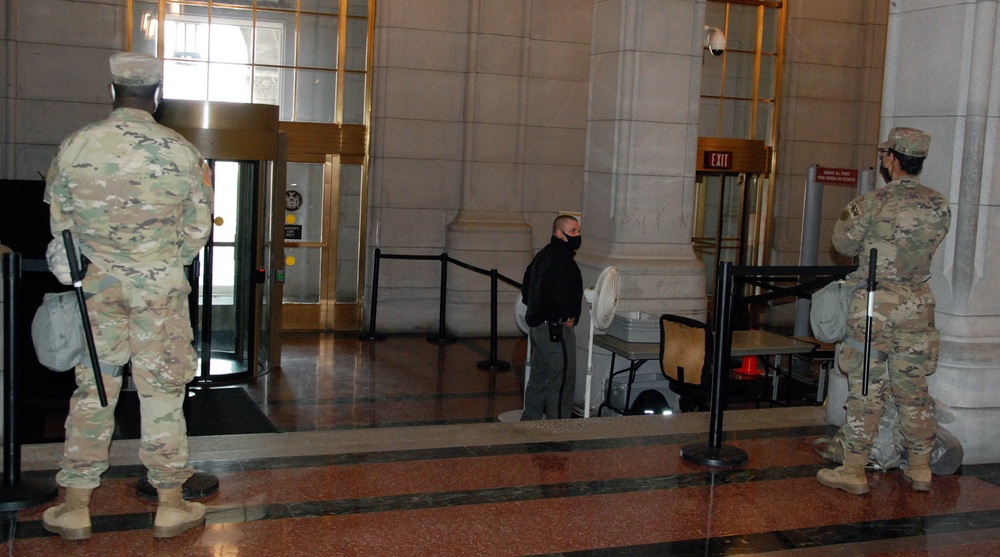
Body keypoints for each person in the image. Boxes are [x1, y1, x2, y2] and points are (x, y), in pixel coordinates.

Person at [40, 52, 214, 539]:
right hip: (158, 294)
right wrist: (156, 264)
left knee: (94, 390)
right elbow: (196, 233)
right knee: (162, 393)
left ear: (112, 90)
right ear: (156, 96)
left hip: (98, 292)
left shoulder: (76, 147)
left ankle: (75, 505)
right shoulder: (182, 153)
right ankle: (170, 504)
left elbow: (63, 229)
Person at [816, 127, 951, 495]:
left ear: (891, 158)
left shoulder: (873, 202)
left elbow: (842, 242)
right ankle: (920, 468)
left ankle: (854, 469)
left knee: (866, 388)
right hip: (919, 304)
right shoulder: (939, 204)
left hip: (875, 306)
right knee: (913, 388)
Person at [520, 215, 584, 420]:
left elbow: (526, 289)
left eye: (578, 231)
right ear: (559, 233)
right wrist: (568, 314)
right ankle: (558, 428)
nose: (576, 235)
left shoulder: (543, 255)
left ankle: (529, 421)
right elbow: (562, 292)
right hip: (556, 331)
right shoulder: (562, 259)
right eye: (572, 231)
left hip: (539, 329)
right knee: (561, 381)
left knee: (539, 378)